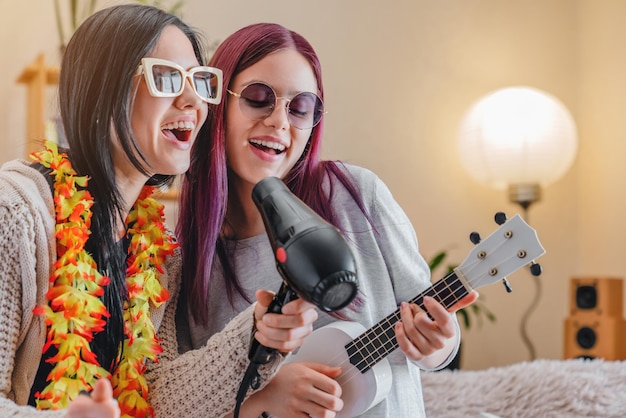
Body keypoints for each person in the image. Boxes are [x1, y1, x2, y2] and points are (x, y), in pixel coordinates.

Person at [0, 6, 318, 418]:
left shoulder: (153, 251)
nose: (193, 101)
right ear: (103, 89)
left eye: (200, 81)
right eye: (166, 77)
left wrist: (257, 333)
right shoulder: (17, 216)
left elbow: (156, 393)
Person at [176, 22, 479, 418]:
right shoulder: (188, 259)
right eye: (257, 98)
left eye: (300, 107)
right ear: (218, 104)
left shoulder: (356, 193)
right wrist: (260, 400)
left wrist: (439, 344)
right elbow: (193, 399)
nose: (279, 122)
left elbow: (430, 325)